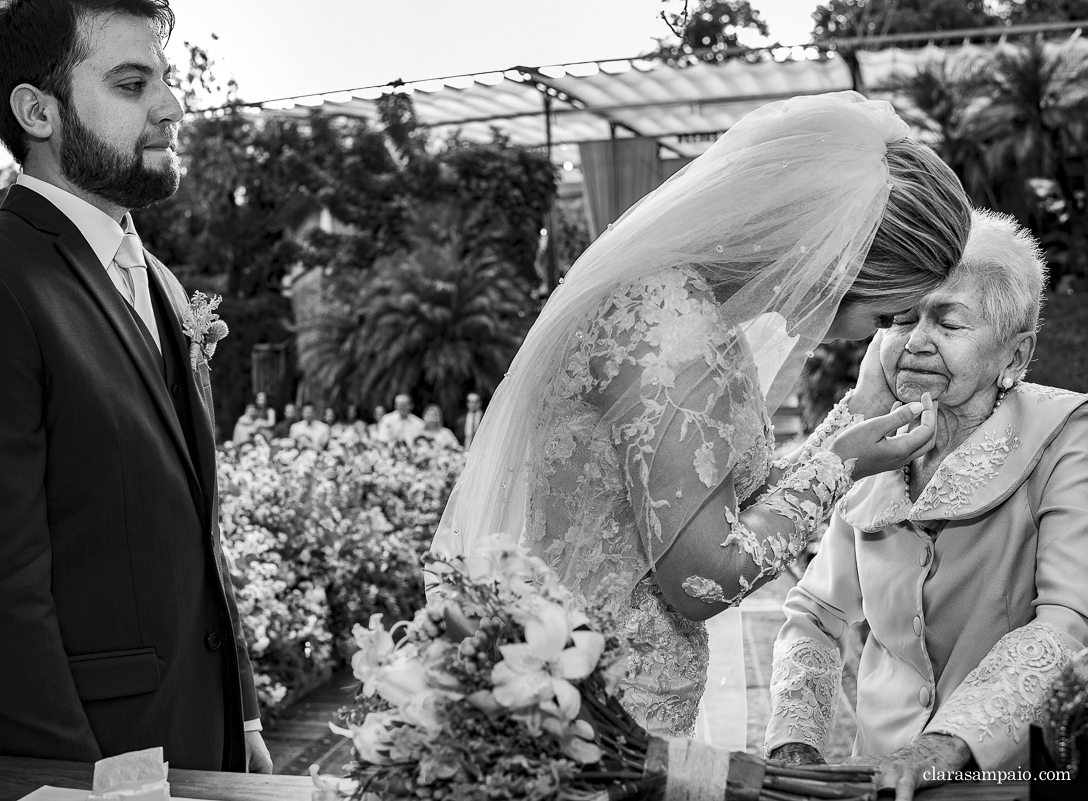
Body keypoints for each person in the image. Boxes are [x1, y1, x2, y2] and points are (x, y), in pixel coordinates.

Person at [431, 91, 970, 744]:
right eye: (885, 315)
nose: (874, 336)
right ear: (840, 261)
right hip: (595, 710)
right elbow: (698, 576)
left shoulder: (687, 305)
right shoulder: (676, 334)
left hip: (604, 688)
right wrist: (843, 466)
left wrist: (850, 423)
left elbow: (703, 509)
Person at [0, 0, 270, 772]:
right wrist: (83, 786)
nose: (171, 105)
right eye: (133, 84)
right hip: (68, 762)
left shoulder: (161, 284)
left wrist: (247, 721)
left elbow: (198, 533)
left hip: (198, 740)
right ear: (38, 111)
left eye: (163, 79)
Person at [765, 211, 1088, 799]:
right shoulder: (871, 448)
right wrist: (795, 751)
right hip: (875, 778)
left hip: (1007, 780)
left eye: (949, 322)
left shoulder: (1069, 435)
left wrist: (940, 749)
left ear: (1015, 357)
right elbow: (813, 615)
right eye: (902, 317)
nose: (914, 341)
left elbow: (1067, 624)